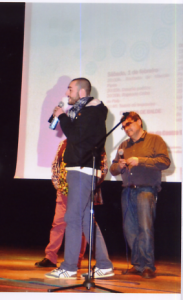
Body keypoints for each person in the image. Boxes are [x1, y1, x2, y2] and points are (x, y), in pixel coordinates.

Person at [45, 77, 114, 279]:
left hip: (83, 170)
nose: (67, 93)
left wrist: (63, 117)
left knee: (73, 218)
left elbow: (76, 137)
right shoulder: (86, 112)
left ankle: (68, 267)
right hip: (80, 169)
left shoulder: (90, 111)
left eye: (70, 89)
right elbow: (78, 136)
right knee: (85, 220)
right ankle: (104, 264)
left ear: (82, 92)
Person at [110, 112, 170, 279]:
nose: (126, 129)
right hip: (127, 190)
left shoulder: (155, 140)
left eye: (129, 124)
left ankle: (148, 266)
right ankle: (138, 264)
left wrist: (140, 160)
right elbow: (112, 168)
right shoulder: (123, 145)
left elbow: (165, 162)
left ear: (139, 122)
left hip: (146, 190)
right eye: (124, 127)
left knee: (145, 228)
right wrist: (119, 166)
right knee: (130, 229)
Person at [36, 139, 108, 268]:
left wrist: (89, 186)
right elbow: (56, 165)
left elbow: (103, 168)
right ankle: (50, 257)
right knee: (58, 223)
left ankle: (77, 259)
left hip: (81, 190)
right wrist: (58, 185)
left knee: (81, 224)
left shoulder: (94, 142)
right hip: (64, 190)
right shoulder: (63, 143)